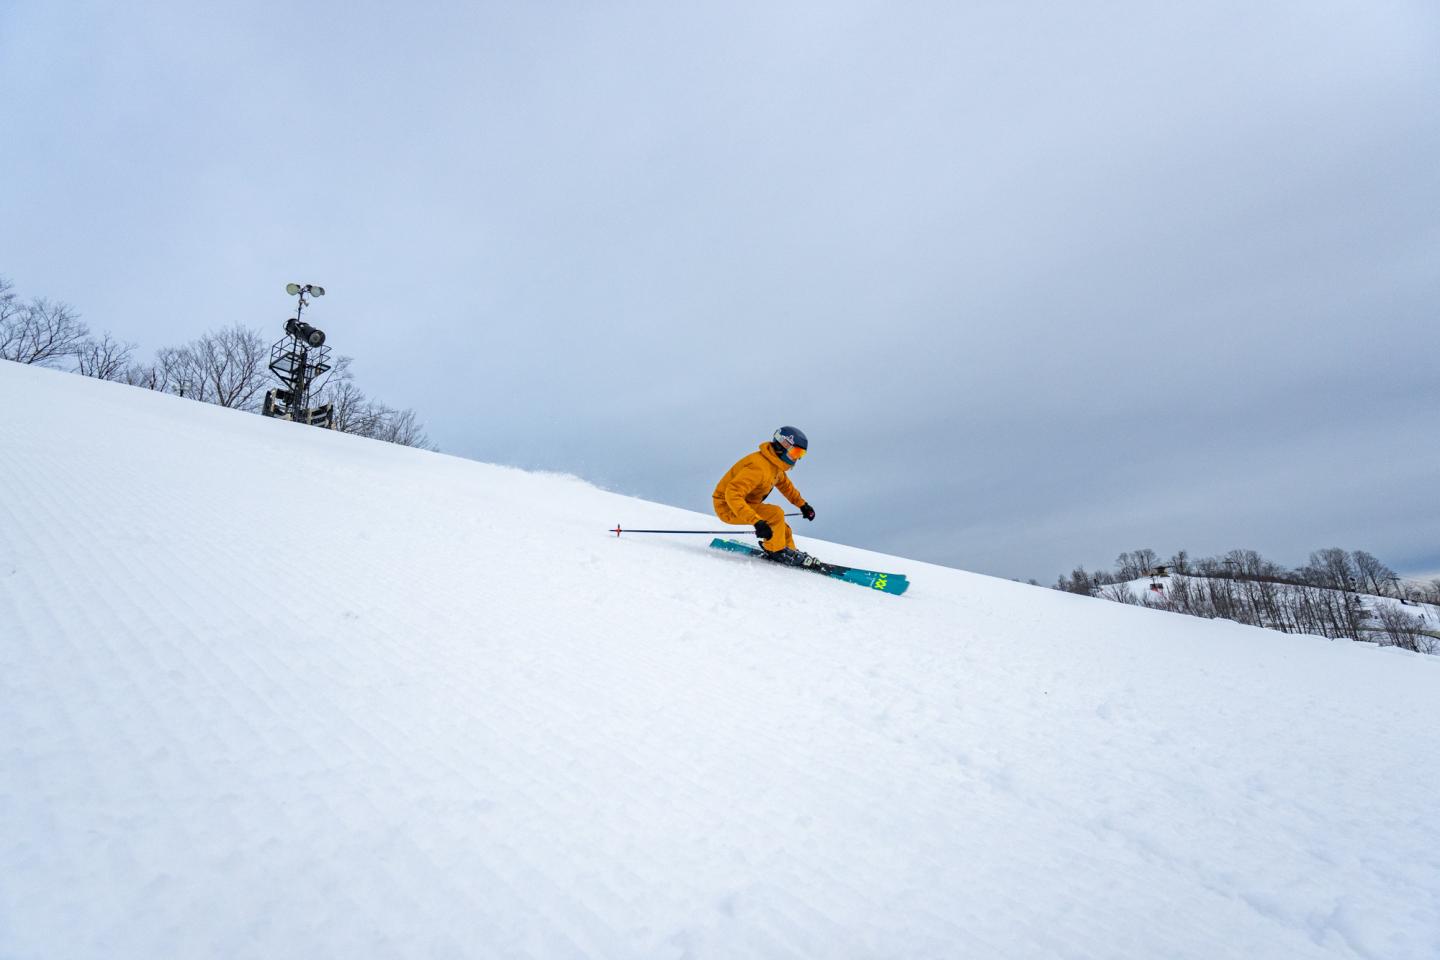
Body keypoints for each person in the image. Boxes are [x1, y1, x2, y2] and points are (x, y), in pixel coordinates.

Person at [712, 426, 817, 565]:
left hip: (745, 504)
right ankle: (776, 551)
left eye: (801, 454)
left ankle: (789, 551)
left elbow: (786, 487)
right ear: (783, 445)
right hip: (727, 506)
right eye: (796, 452)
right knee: (776, 514)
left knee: (783, 529)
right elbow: (732, 494)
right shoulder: (758, 467)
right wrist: (756, 521)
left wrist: (802, 505)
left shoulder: (774, 466)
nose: (797, 457)